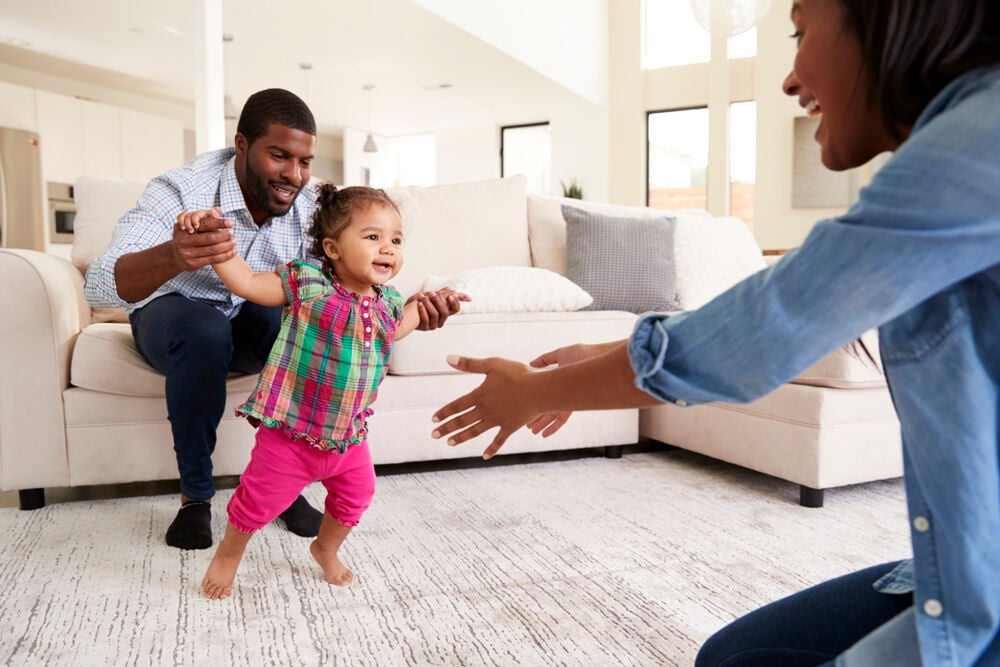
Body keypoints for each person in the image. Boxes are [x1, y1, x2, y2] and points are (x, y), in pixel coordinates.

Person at [430, 1, 1000, 664]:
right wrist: (601, 359)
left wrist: (538, 389)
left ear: (882, 22)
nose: (789, 79)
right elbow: (783, 311)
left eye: (800, 31)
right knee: (734, 656)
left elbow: (768, 325)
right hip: (965, 563)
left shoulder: (979, 143)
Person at [84, 88, 461, 551]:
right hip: (173, 315)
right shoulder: (182, 189)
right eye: (279, 156)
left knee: (281, 321)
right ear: (242, 145)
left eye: (304, 161)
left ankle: (281, 485)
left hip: (250, 314)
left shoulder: (310, 207)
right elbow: (99, 284)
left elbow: (340, 287)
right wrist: (173, 254)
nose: (294, 175)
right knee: (205, 329)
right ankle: (195, 498)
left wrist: (414, 310)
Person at [180, 184, 469, 599]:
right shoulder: (308, 283)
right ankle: (229, 553)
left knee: (357, 498)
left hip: (348, 438)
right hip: (290, 435)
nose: (387, 248)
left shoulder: (388, 301)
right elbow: (245, 283)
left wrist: (426, 305)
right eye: (373, 237)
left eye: (396, 240)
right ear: (332, 248)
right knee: (256, 503)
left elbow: (400, 327)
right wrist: (216, 244)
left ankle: (325, 547)